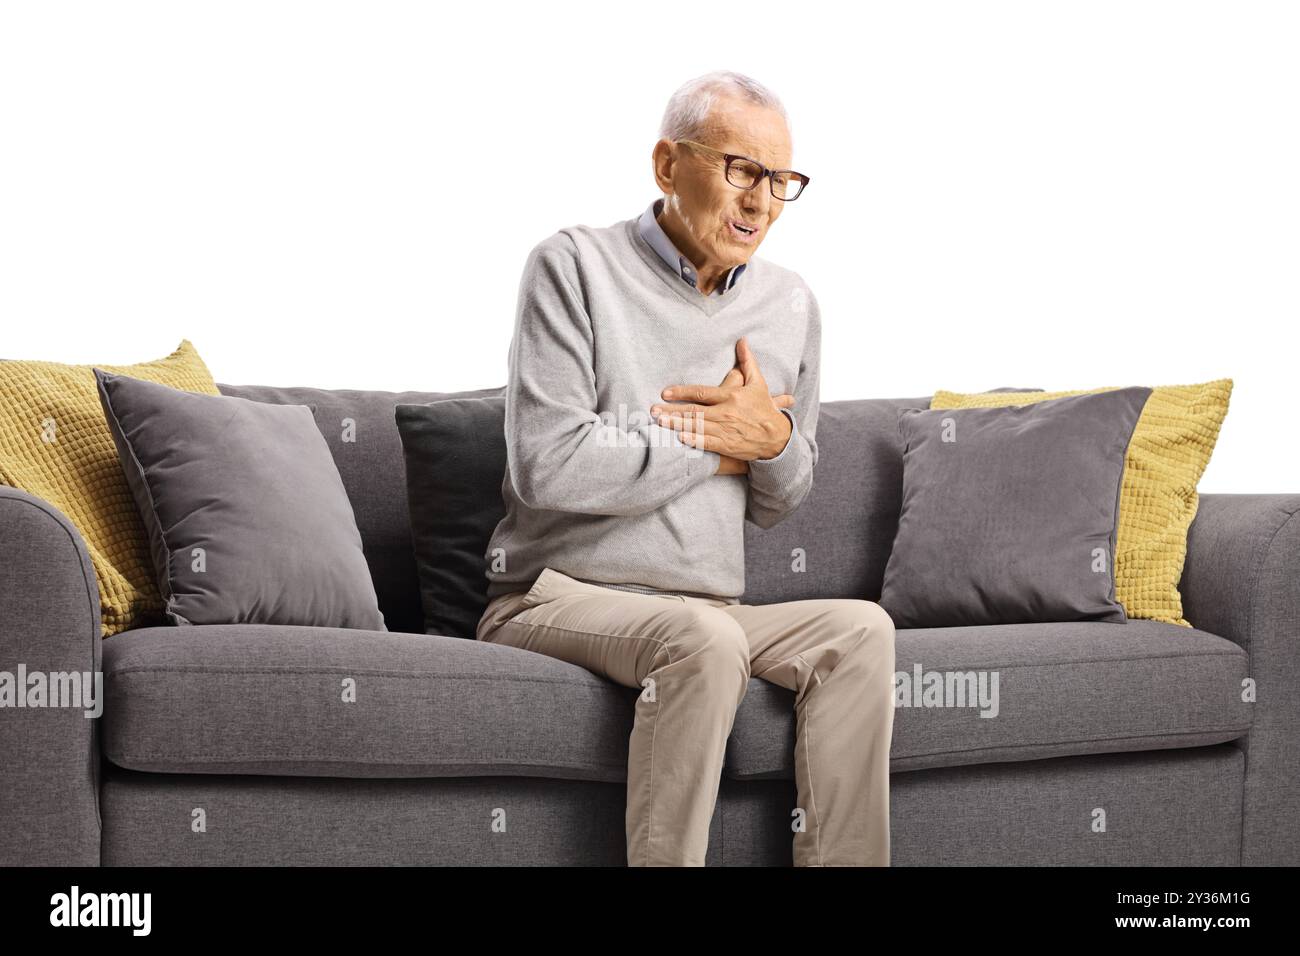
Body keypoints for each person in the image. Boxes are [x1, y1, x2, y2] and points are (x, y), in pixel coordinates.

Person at [477, 70, 896, 866]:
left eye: (781, 181)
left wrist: (766, 445)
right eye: (741, 169)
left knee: (860, 631)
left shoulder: (790, 303)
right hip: (554, 597)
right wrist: (716, 438)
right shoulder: (572, 267)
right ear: (669, 166)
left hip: (708, 605)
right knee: (703, 638)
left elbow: (782, 494)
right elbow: (548, 464)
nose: (762, 202)